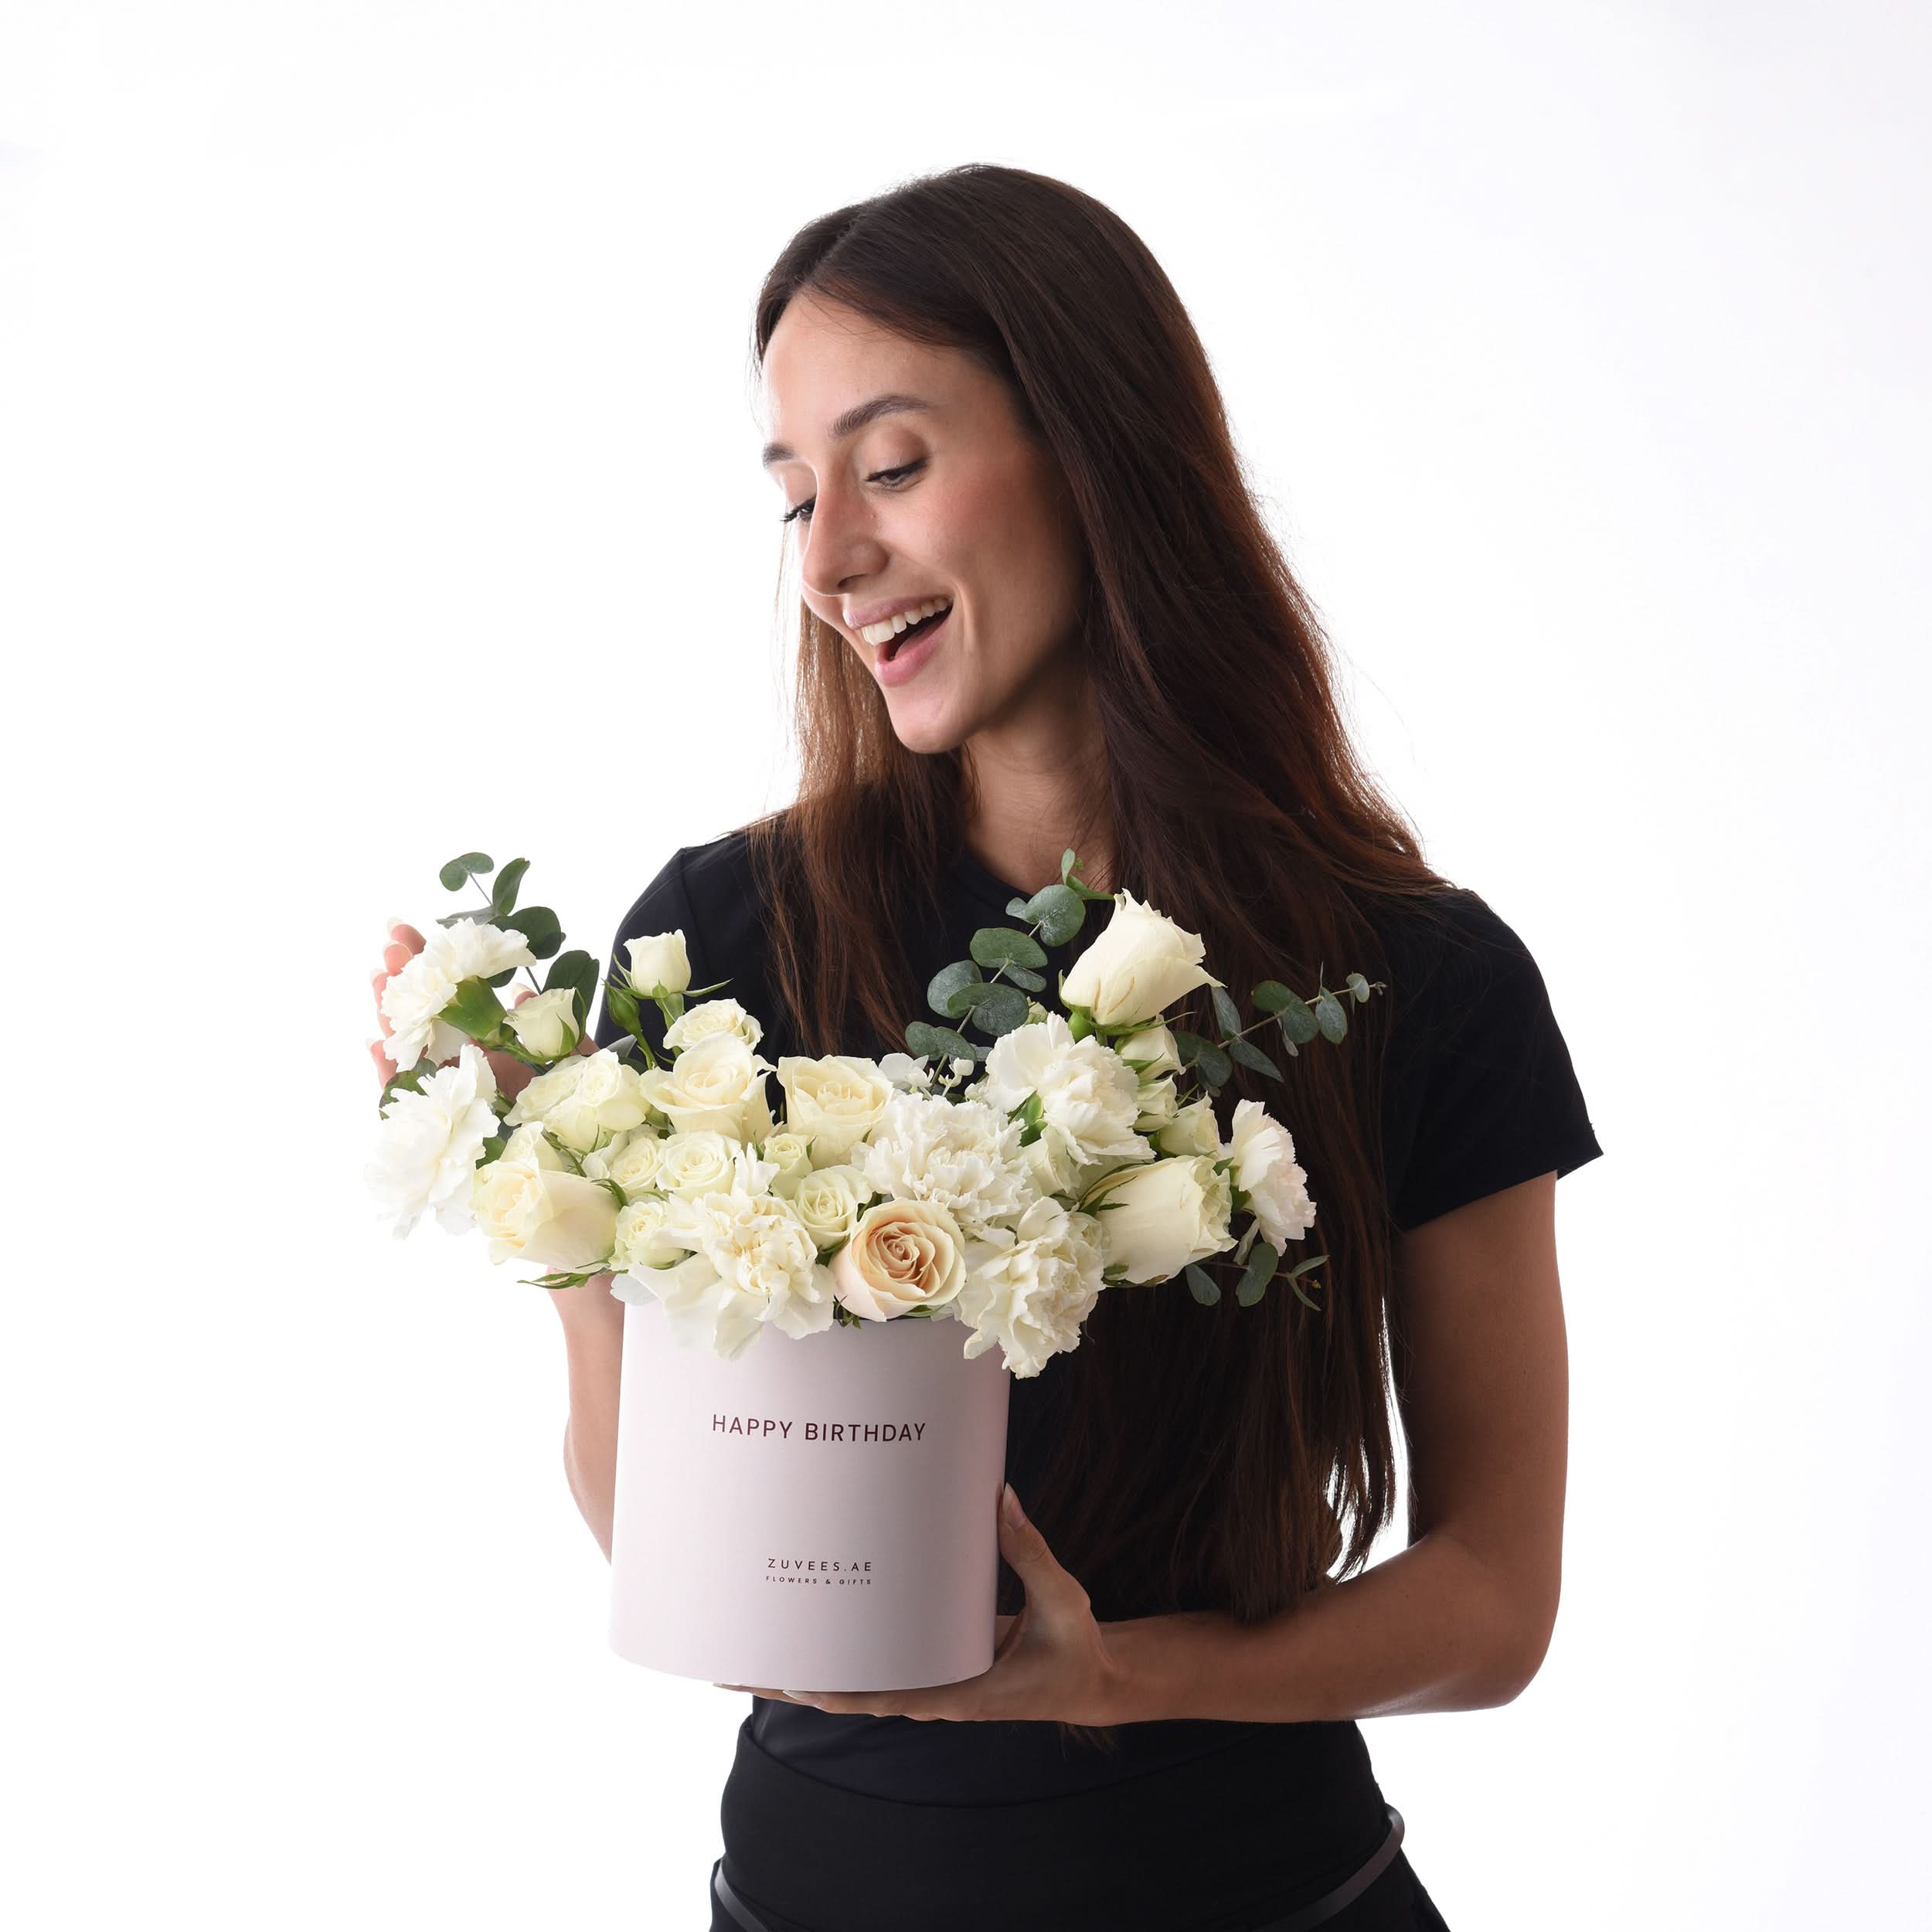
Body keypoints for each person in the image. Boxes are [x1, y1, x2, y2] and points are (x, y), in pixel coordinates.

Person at [369, 164, 1602, 1932]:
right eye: (794, 495)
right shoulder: (729, 933)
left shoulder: (1415, 973)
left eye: (887, 467)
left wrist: (1110, 1675)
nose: (828, 560)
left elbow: (1489, 1604)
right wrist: (543, 1190)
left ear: (1098, 449)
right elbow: (668, 1533)